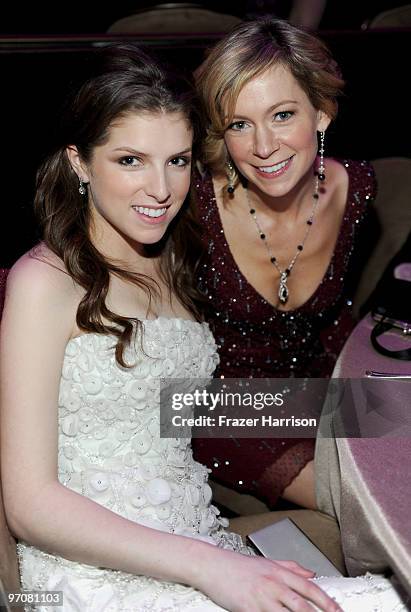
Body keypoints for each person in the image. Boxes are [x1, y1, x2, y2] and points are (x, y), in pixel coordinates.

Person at [0, 43, 345, 612]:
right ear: (79, 163)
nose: (160, 189)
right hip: (97, 568)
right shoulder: (42, 283)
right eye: (130, 160)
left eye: (178, 160)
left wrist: (375, 411)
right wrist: (212, 568)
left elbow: (181, 406)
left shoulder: (172, 256)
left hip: (197, 538)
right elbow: (29, 504)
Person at [192, 17, 376, 509]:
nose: (263, 146)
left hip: (320, 388)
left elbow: (336, 314)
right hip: (221, 407)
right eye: (239, 124)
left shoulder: (352, 188)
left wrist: (370, 396)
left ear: (321, 112)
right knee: (362, 503)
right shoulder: (191, 205)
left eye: (282, 115)